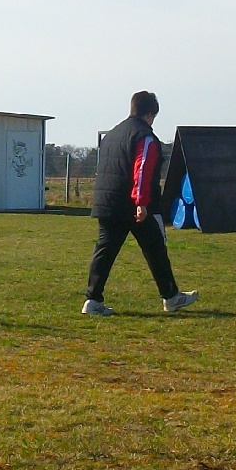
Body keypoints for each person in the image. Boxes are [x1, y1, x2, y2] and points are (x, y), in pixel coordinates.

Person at [82, 91, 198, 316]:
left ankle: (92, 300)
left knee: (106, 251)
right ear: (151, 113)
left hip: (108, 202)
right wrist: (141, 202)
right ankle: (171, 297)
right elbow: (142, 169)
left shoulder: (113, 135)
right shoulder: (144, 136)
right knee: (155, 248)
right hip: (133, 206)